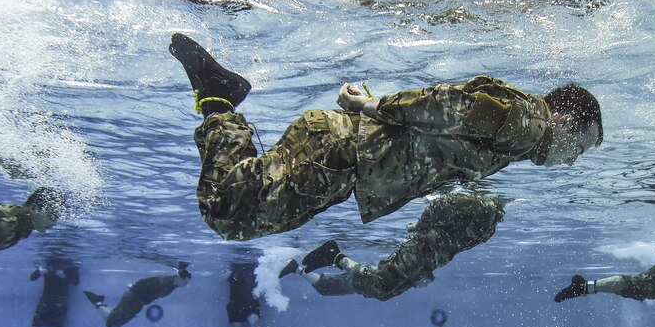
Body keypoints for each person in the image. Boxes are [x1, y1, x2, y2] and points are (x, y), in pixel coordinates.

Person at [169, 33, 602, 242]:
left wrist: (373, 108)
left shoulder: (521, 138)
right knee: (227, 212)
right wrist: (368, 108)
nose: (571, 161)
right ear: (567, 120)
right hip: (341, 153)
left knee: (236, 211)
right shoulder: (532, 126)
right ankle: (218, 97)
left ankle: (218, 99)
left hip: (346, 160)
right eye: (578, 149)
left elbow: (445, 126)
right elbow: (453, 105)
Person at [281, 192, 504, 301]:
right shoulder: (482, 207)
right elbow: (442, 204)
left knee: (379, 289)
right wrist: (420, 226)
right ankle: (335, 256)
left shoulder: (490, 223)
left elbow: (454, 237)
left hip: (429, 256)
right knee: (381, 288)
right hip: (424, 248)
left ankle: (304, 267)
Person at [84, 263, 191, 327]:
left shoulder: (170, 285)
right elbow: (148, 285)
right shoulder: (167, 283)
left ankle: (98, 303)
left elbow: (150, 288)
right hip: (134, 299)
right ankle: (97, 302)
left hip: (136, 301)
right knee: (112, 323)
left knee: (114, 322)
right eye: (184, 282)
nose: (185, 285)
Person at [29, 258, 80, 327]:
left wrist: (62, 275)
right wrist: (40, 270)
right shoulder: (48, 262)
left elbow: (75, 282)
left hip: (60, 299)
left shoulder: (70, 264)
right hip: (46, 298)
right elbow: (32, 278)